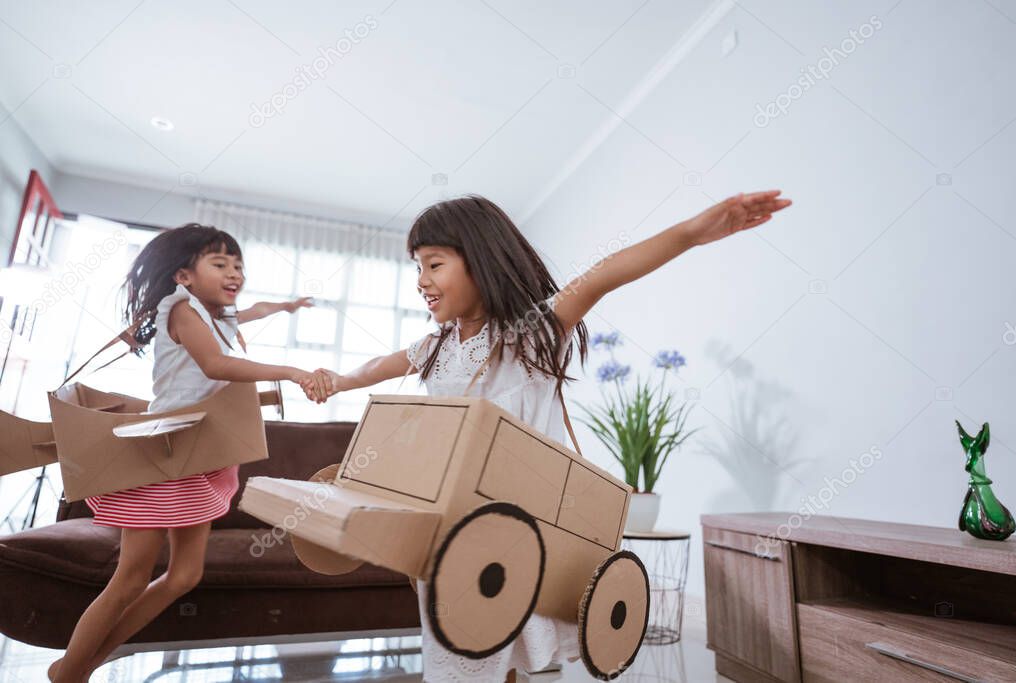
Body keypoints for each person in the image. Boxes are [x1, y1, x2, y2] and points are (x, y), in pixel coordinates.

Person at [302, 191, 791, 681]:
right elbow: (380, 366)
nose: (422, 282)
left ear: (480, 261)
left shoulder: (527, 335)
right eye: (417, 268)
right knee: (456, 645)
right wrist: (340, 380)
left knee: (501, 640)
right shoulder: (435, 346)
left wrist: (691, 232)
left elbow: (602, 275)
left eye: (433, 264)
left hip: (519, 526)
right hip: (454, 526)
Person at [50, 223, 326, 682]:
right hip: (166, 455)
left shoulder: (218, 316)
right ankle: (70, 674)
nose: (234, 272)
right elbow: (216, 365)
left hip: (203, 454)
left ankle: (80, 665)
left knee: (184, 577)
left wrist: (287, 305)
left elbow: (252, 309)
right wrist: (293, 371)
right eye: (220, 264)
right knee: (131, 577)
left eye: (238, 265)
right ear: (184, 276)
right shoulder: (180, 310)